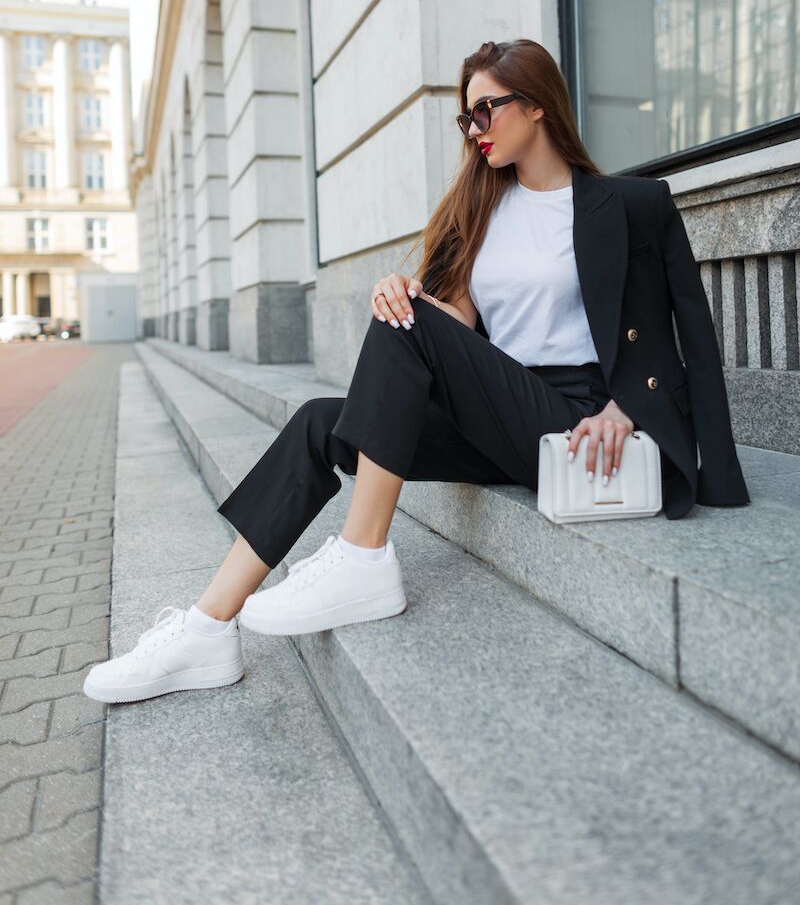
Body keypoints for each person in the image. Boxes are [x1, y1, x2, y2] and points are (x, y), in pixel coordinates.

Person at [83, 38, 750, 704]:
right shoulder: (479, 209)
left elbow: (681, 333)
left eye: (486, 110)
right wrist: (400, 295)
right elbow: (453, 330)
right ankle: (206, 628)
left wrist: (625, 409)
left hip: (576, 417)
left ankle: (363, 556)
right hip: (504, 404)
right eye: (468, 119)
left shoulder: (629, 205)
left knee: (405, 323)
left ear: (538, 105)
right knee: (327, 412)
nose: (476, 130)